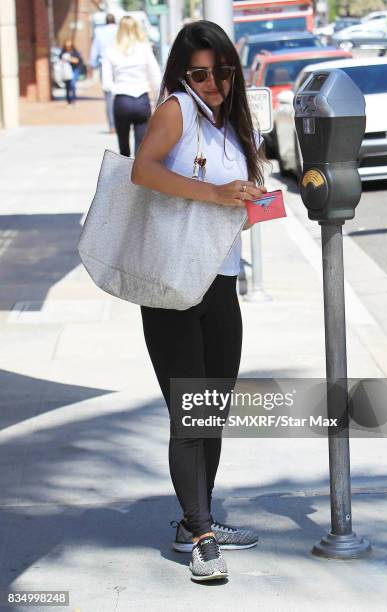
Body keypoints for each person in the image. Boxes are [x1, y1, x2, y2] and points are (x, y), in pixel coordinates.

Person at [131, 20, 268, 582]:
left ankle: (198, 517)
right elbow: (143, 170)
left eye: (222, 73)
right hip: (171, 283)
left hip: (220, 280)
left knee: (212, 407)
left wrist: (253, 200)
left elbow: (232, 197)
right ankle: (201, 535)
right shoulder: (176, 111)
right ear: (183, 74)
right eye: (200, 74)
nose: (213, 84)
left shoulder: (231, 125)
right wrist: (213, 192)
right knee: (188, 411)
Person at [101, 16, 161, 157]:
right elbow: (156, 78)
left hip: (122, 100)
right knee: (141, 147)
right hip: (141, 99)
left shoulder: (110, 50)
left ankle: (124, 175)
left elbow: (106, 84)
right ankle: (138, 177)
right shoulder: (145, 49)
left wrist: (117, 86)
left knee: (123, 147)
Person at [89, 13, 118, 133]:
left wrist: (93, 63)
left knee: (109, 97)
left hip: (105, 65)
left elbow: (95, 49)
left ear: (105, 22)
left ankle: (112, 126)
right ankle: (122, 123)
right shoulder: (119, 30)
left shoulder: (99, 32)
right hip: (119, 64)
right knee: (121, 95)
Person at [60, 39, 84, 105]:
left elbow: (77, 61)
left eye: (69, 46)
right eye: (67, 46)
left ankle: (73, 99)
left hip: (74, 69)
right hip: (66, 71)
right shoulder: (63, 52)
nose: (68, 48)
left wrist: (69, 59)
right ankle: (68, 99)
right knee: (67, 85)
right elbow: (60, 60)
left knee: (72, 84)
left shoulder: (75, 52)